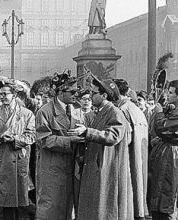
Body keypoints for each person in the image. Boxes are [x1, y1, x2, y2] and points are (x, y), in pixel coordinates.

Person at [69, 77, 133, 220]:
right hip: (98, 165)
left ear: (104, 95)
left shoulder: (114, 112)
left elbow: (113, 136)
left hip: (106, 167)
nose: (91, 96)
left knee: (103, 209)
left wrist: (88, 132)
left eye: (94, 92)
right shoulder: (102, 111)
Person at [0, 79, 36, 220]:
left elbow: (31, 136)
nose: (2, 96)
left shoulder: (26, 114)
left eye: (6, 94)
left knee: (16, 202)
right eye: (1, 94)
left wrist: (16, 139)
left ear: (15, 95)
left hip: (16, 161)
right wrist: (0, 137)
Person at [35, 72, 83, 220]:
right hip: (52, 168)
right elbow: (44, 140)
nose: (76, 95)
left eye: (77, 91)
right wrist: (70, 141)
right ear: (60, 92)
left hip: (72, 167)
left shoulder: (77, 109)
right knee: (51, 207)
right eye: (73, 92)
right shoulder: (45, 111)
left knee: (70, 208)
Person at [113, 79, 149, 220]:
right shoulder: (136, 110)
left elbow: (122, 140)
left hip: (127, 163)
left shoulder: (121, 111)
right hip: (138, 162)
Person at [147, 80, 178, 220]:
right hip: (166, 153)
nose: (168, 95)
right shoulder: (173, 110)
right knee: (160, 192)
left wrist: (159, 112)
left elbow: (163, 128)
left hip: (172, 156)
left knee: (167, 193)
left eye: (171, 93)